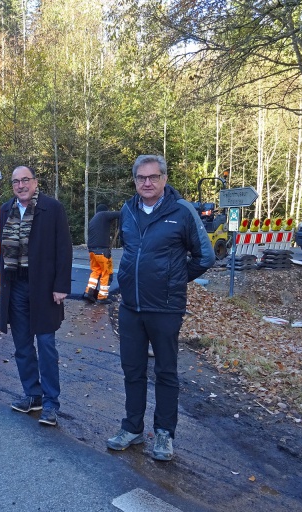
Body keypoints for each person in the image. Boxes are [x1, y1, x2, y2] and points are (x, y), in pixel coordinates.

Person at [106, 154, 215, 460]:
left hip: (166, 308)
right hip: (131, 306)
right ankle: (132, 427)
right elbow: (130, 251)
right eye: (141, 178)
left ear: (165, 179)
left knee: (166, 372)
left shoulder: (181, 211)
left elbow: (205, 257)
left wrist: (174, 280)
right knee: (132, 370)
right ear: (135, 181)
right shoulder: (128, 210)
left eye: (153, 177)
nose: (147, 183)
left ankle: (164, 434)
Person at [0, 166, 72, 426]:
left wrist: (61, 285)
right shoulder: (5, 210)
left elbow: (64, 249)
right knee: (22, 345)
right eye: (16, 181)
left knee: (47, 345)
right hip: (15, 286)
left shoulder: (51, 209)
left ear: (35, 182)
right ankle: (33, 394)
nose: (20, 185)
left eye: (25, 180)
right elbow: (2, 252)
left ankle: (51, 402)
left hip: (43, 288)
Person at [83, 204, 120, 304]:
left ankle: (89, 293)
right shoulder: (103, 215)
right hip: (102, 252)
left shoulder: (93, 220)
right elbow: (120, 214)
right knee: (107, 273)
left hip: (92, 251)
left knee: (96, 271)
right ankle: (102, 297)